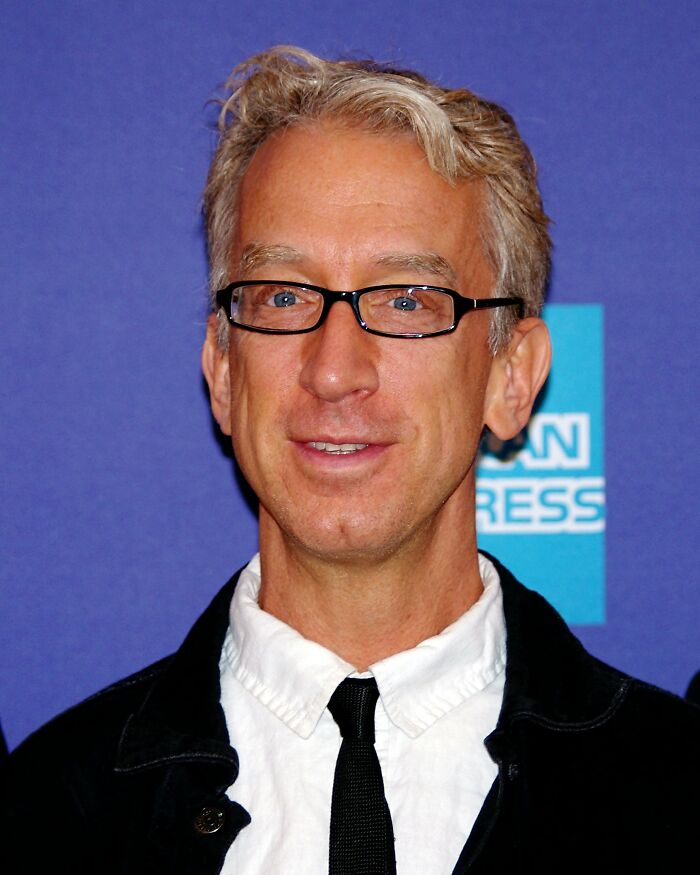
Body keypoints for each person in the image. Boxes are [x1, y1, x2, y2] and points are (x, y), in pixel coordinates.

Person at [2, 45, 698, 874]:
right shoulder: (47, 812)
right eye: (284, 296)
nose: (334, 369)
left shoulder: (683, 797)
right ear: (224, 372)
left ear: (512, 377)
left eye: (407, 300)